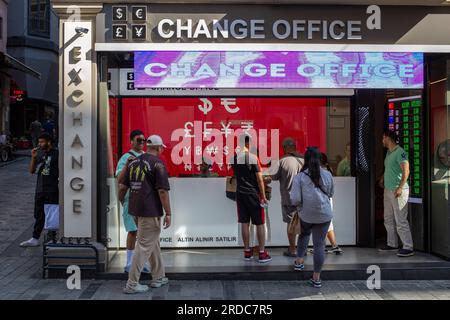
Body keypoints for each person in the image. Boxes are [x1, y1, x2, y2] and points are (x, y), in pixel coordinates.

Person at [119, 134, 172, 294]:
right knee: (143, 246)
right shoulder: (158, 164)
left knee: (152, 243)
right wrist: (168, 213)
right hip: (150, 210)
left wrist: (122, 202)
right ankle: (132, 284)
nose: (162, 150)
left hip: (136, 210)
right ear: (158, 148)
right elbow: (162, 191)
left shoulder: (133, 162)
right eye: (162, 147)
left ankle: (159, 277)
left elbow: (122, 186)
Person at [290, 147, 334, 288]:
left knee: (304, 234)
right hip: (324, 214)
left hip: (307, 214)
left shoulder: (300, 176)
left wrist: (300, 206)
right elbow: (331, 193)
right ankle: (316, 277)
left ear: (306, 160)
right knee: (319, 244)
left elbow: (295, 199)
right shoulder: (327, 174)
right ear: (320, 159)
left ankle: (299, 261)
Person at [115, 129, 150, 273]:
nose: (141, 143)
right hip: (131, 199)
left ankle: (143, 263)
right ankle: (129, 263)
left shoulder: (147, 156)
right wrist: (126, 165)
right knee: (133, 231)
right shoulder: (126, 157)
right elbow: (119, 178)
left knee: (144, 233)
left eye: (144, 140)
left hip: (146, 200)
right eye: (138, 140)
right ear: (131, 141)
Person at [233, 135, 271, 263]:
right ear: (248, 144)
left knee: (244, 223)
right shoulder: (253, 158)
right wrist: (264, 196)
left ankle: (247, 252)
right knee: (260, 223)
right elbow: (259, 178)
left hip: (240, 194)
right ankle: (261, 253)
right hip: (253, 194)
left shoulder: (234, 158)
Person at [20, 133, 59, 247]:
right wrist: (33, 157)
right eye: (39, 142)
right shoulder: (39, 153)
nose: (39, 144)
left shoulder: (57, 154)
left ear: (49, 142)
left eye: (42, 142)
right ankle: (35, 238)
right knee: (38, 214)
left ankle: (52, 238)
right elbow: (32, 171)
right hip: (40, 188)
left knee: (52, 213)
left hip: (52, 188)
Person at [379, 131, 414, 257]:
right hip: (388, 190)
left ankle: (408, 247)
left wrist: (400, 188)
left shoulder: (400, 152)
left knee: (400, 220)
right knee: (388, 218)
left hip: (398, 191)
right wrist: (383, 177)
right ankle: (392, 244)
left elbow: (406, 170)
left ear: (388, 138)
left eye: (383, 138)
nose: (382, 140)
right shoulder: (389, 153)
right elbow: (389, 168)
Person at [270, 137, 304, 257]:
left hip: (288, 198)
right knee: (303, 223)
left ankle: (293, 249)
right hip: (304, 199)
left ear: (284, 148)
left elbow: (272, 176)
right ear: (295, 146)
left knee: (290, 224)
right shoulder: (304, 159)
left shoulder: (282, 160)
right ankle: (302, 249)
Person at [320, 153, 343, 255]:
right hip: (328, 199)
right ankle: (333, 246)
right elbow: (331, 191)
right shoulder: (328, 171)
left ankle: (326, 247)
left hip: (323, 200)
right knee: (328, 223)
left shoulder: (322, 173)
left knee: (324, 223)